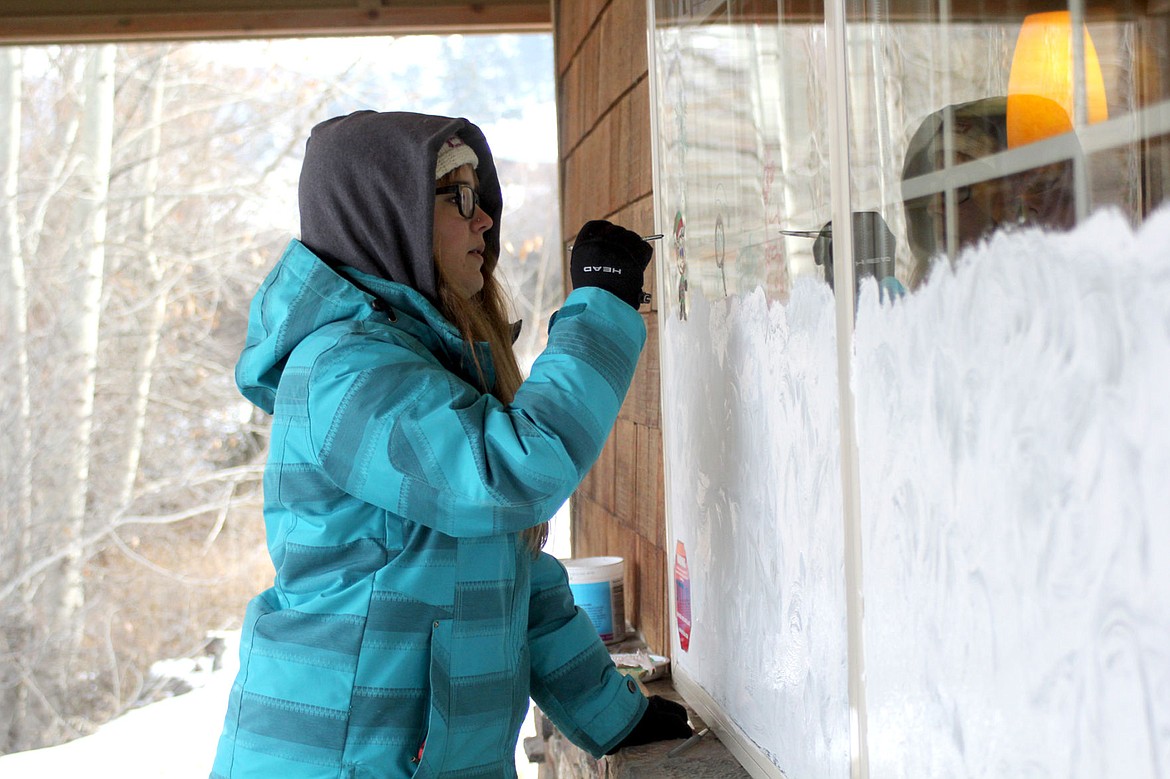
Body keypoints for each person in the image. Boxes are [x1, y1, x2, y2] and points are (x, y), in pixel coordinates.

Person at [210, 110, 692, 778]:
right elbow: (509, 474)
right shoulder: (345, 374)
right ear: (386, 214)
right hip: (335, 762)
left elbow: (510, 586)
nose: (485, 220)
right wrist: (600, 308)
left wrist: (616, 714)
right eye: (457, 196)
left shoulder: (427, 369)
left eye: (481, 195)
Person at [901, 96, 1076, 289]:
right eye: (933, 187)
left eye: (957, 187)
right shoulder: (930, 304)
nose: (934, 207)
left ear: (1013, 205)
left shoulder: (1056, 297)